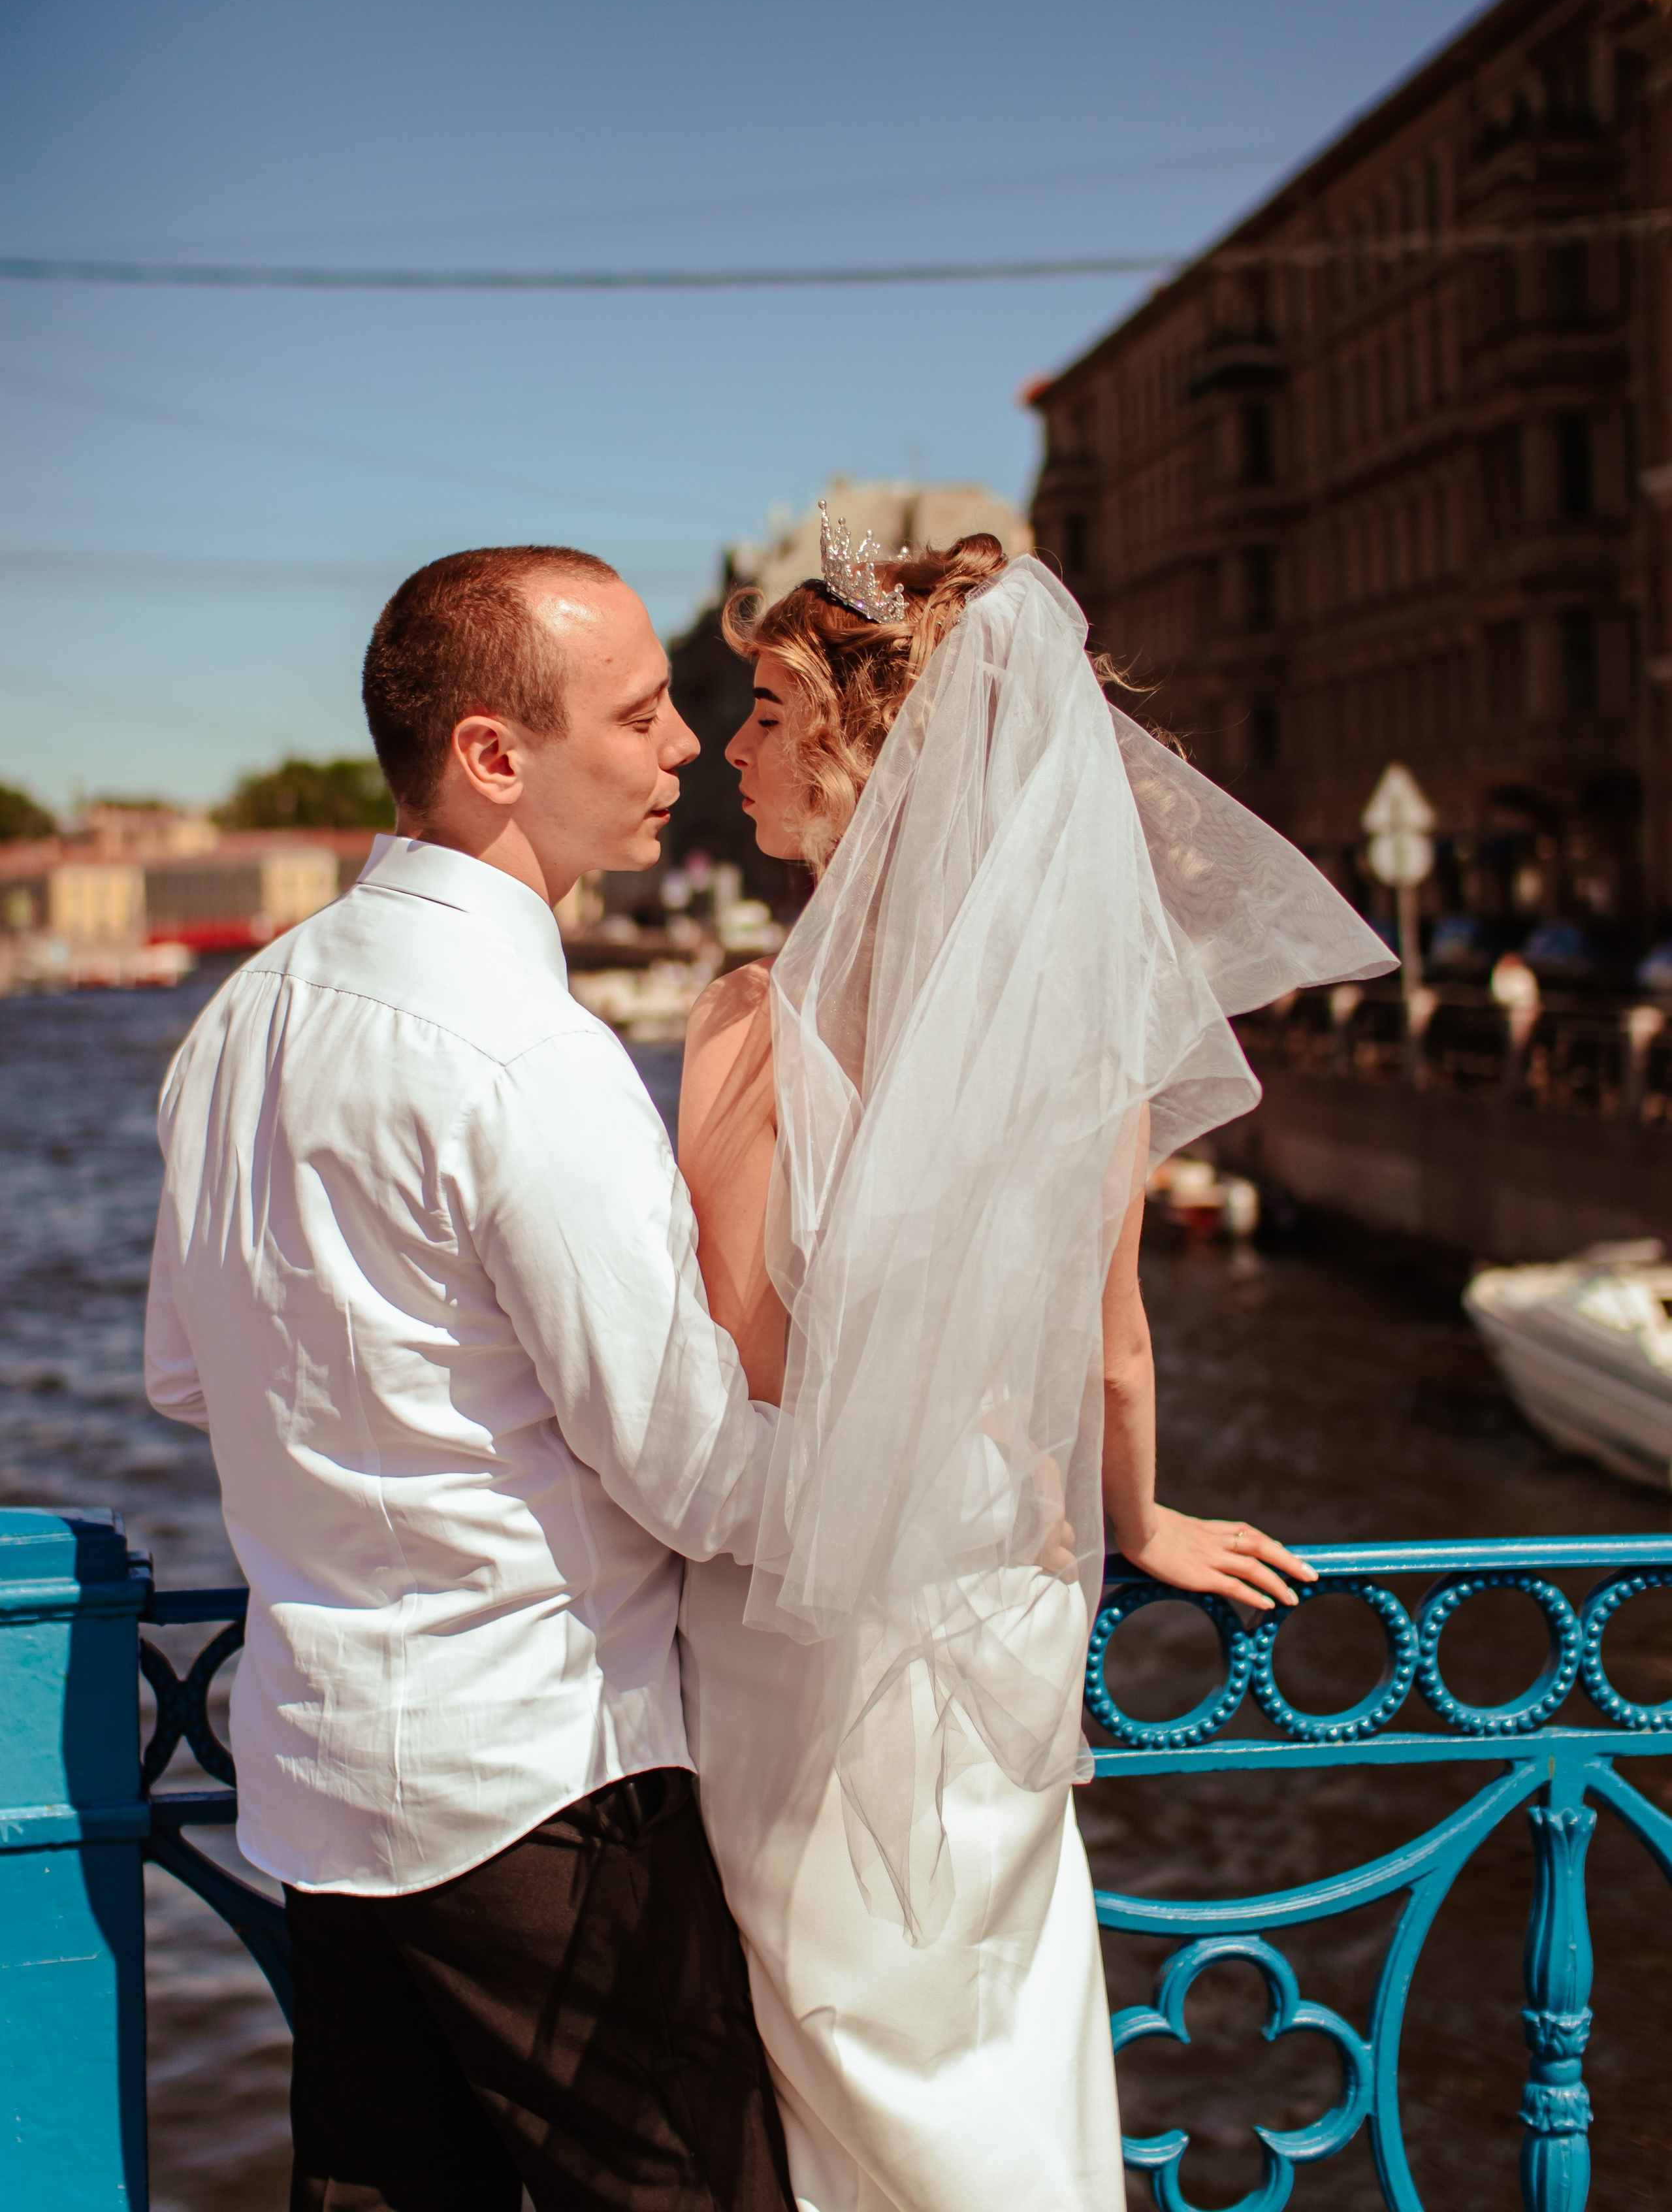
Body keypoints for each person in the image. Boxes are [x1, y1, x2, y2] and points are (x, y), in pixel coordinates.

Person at [677, 523, 1394, 2212]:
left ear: (862, 748)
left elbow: (720, 1365)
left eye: (770, 710)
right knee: (998, 2024)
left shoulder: (739, 1024)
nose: (735, 748)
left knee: (836, 2060)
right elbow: (1114, 1356)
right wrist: (1138, 1521)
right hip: (992, 1604)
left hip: (789, 1612)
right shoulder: (1076, 1049)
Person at [144, 545, 797, 2212]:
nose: (677, 749)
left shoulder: (239, 1020)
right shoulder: (532, 1056)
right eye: (641, 713)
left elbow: (180, 1377)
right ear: (495, 757)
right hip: (544, 1790)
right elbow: (693, 1473)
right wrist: (930, 1471)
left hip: (318, 1783)